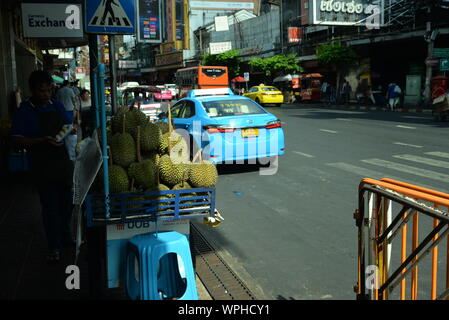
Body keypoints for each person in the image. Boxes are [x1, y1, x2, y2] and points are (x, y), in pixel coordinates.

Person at [10, 70, 75, 263]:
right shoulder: (25, 111)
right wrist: (41, 141)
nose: (46, 95)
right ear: (32, 90)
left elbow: (68, 124)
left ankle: (66, 236)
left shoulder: (57, 105)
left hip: (62, 163)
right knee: (49, 207)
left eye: (48, 90)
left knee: (66, 205)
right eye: (41, 91)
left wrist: (70, 130)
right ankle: (54, 245)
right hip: (42, 166)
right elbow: (16, 140)